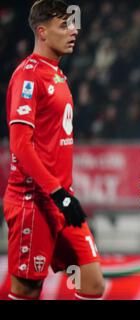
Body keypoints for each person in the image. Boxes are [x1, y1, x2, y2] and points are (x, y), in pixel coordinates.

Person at [2, 0, 104, 300]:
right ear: (43, 32)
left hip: (60, 200)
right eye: (64, 26)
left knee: (92, 283)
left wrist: (62, 195)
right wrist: (57, 192)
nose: (73, 31)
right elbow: (20, 144)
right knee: (27, 290)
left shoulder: (57, 74)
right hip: (33, 200)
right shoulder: (28, 76)